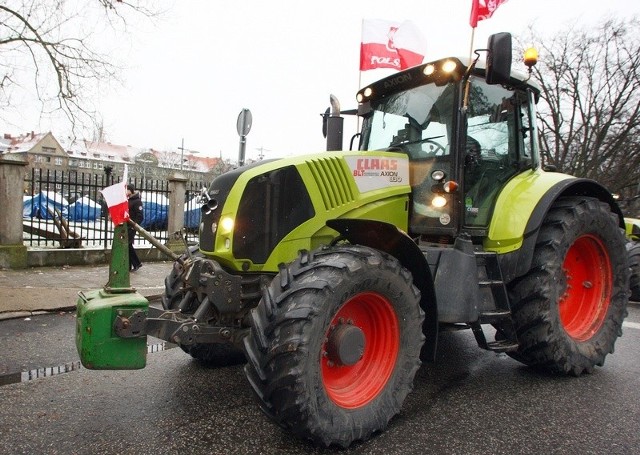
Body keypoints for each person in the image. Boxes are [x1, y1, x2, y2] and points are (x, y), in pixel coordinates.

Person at [126, 183, 144, 272]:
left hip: (131, 227)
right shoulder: (128, 200)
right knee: (127, 246)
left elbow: (140, 216)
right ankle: (129, 265)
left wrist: (134, 226)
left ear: (131, 190)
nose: (125, 191)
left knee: (128, 245)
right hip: (126, 226)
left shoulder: (137, 201)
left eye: (127, 189)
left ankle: (136, 263)